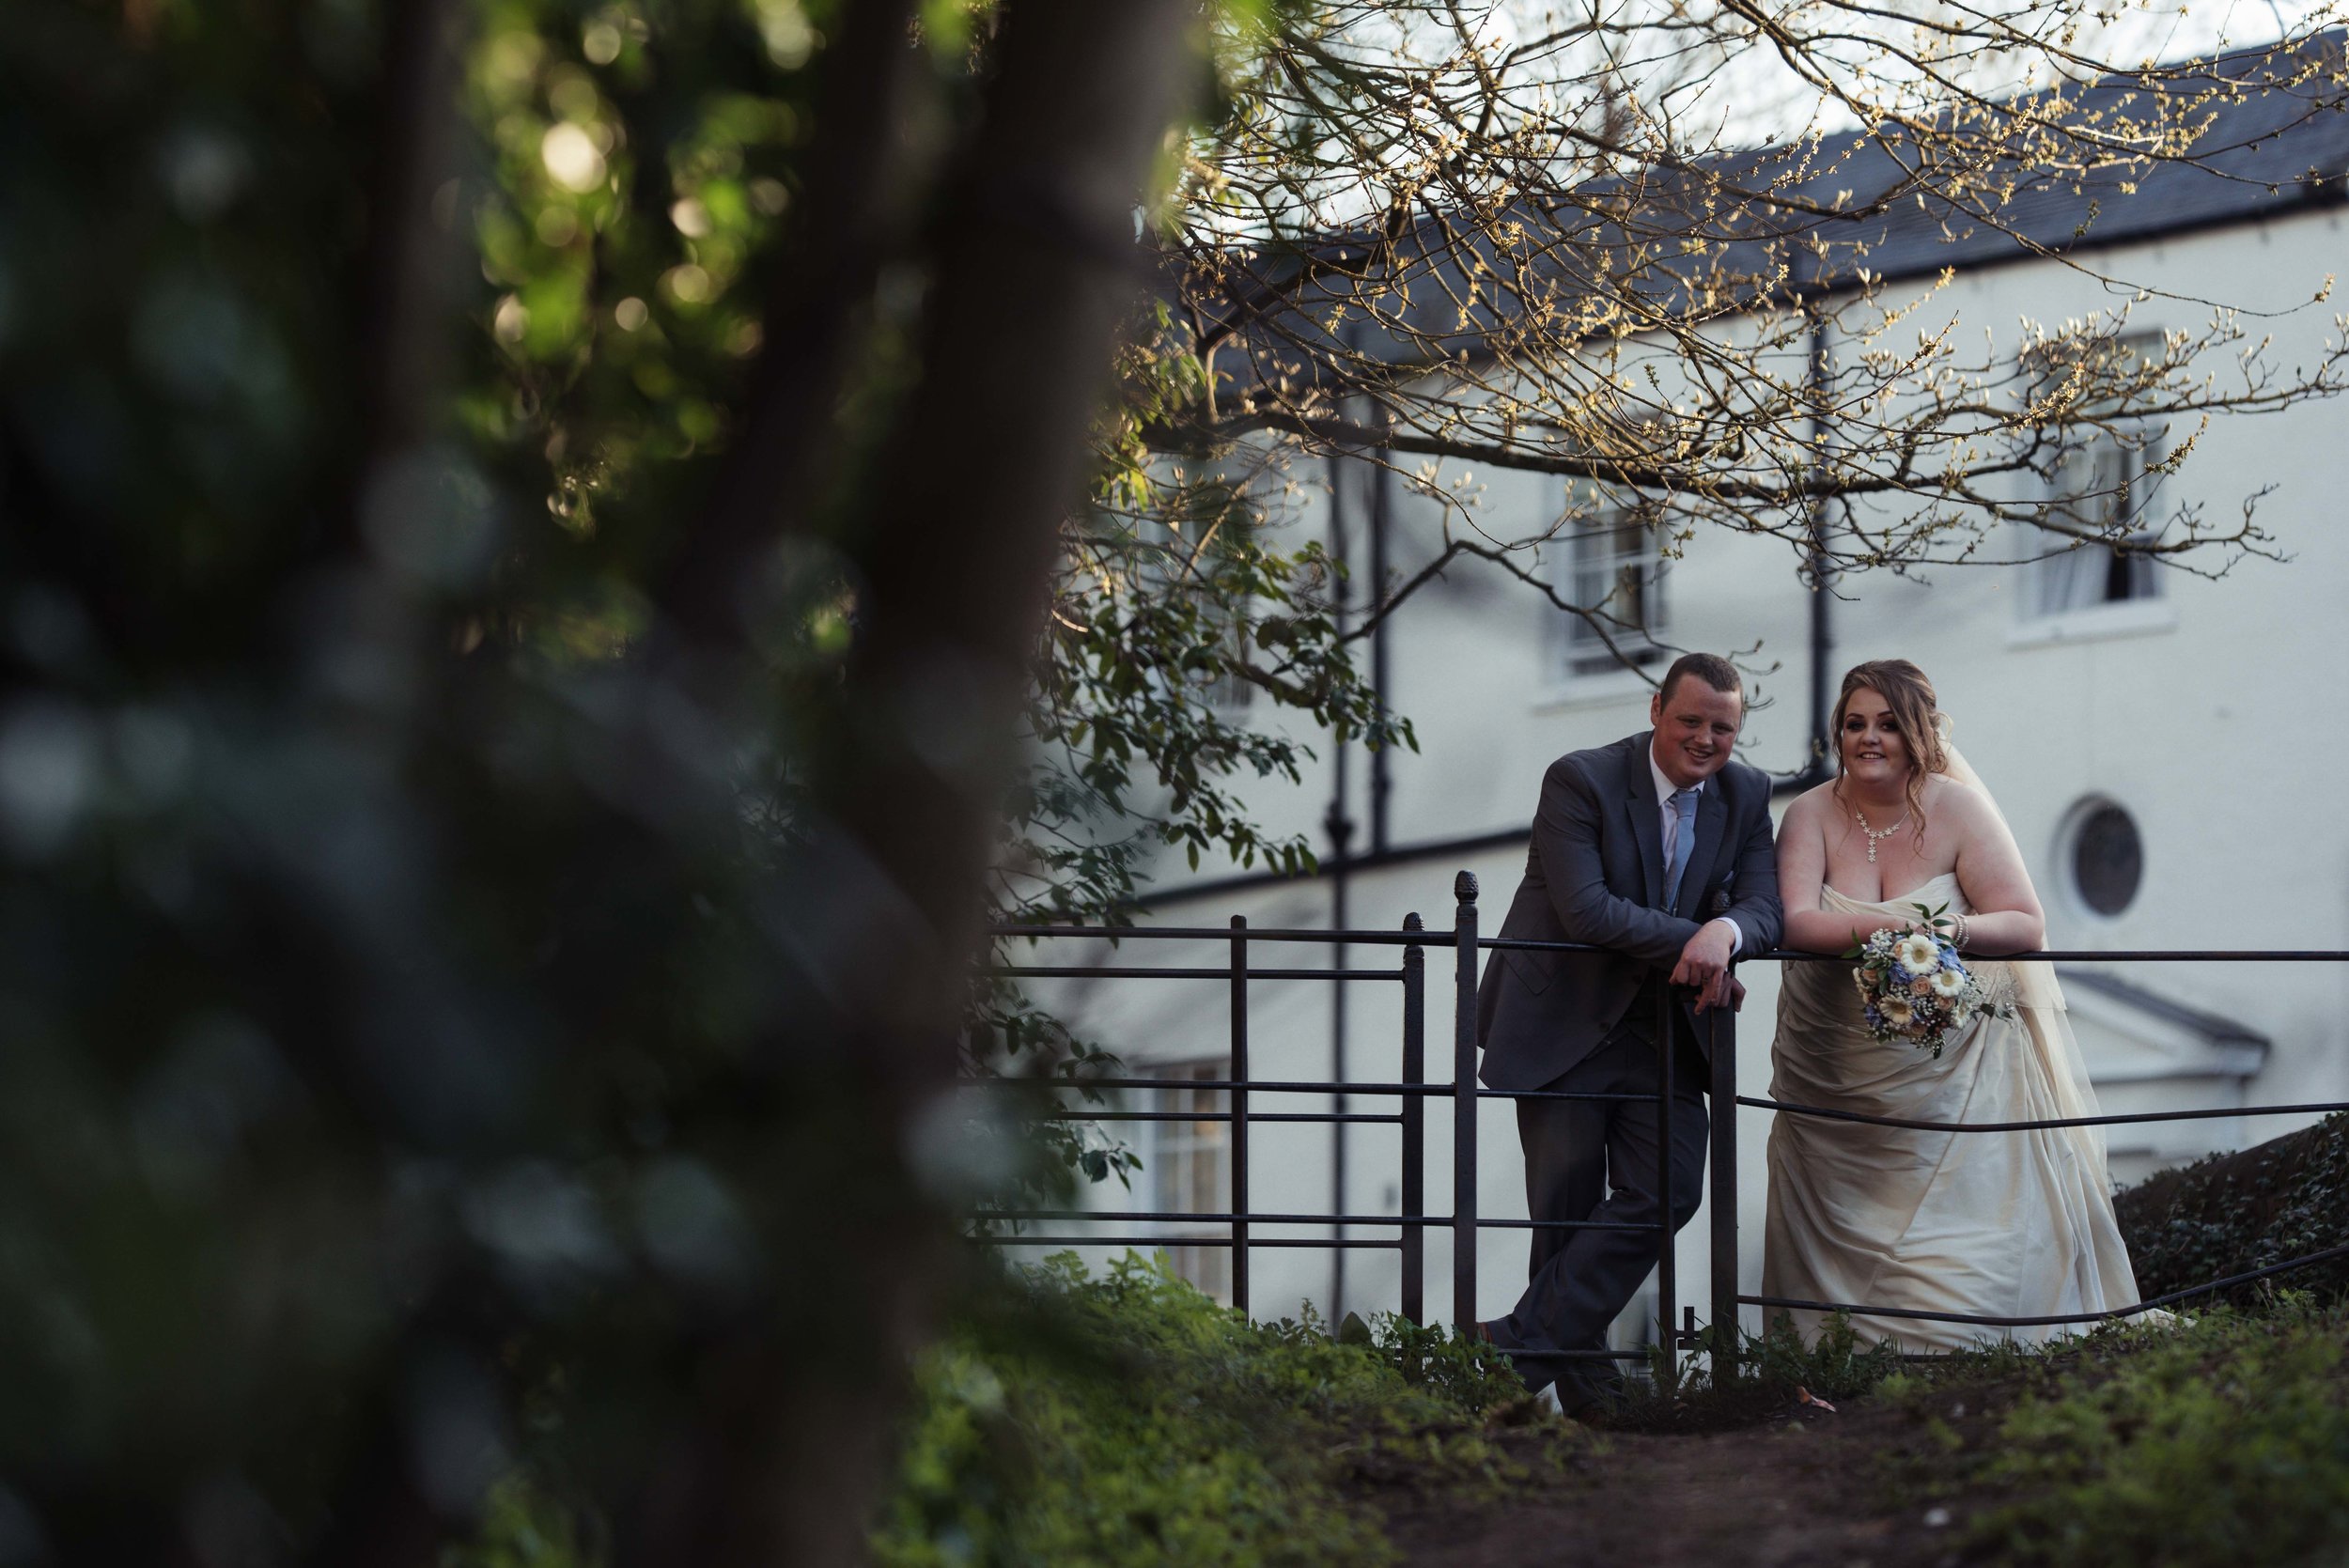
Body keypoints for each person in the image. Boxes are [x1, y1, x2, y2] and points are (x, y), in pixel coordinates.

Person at [1764, 659, 2143, 1350]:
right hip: (1835, 1079)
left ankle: (1972, 1346)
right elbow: (1793, 920)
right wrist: (1894, 934)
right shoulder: (1809, 814)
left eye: (1886, 724)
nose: (1867, 738)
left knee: (1967, 1238)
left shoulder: (1959, 808)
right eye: (1854, 724)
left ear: (1917, 732)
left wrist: (1948, 935)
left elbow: (2024, 922)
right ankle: (1834, 1366)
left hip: (1952, 1080)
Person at [1474, 652, 1784, 1410]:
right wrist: (1699, 938)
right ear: (1655, 710)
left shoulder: (1746, 796)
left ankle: (1502, 1353)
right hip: (1564, 1019)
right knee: (1566, 1210)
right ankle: (1588, 1395)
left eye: (1724, 727)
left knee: (1671, 1187)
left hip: (1665, 1032)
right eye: (1691, 720)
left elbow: (1766, 909)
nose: (1706, 739)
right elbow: (1588, 909)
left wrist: (1729, 933)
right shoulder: (1578, 779)